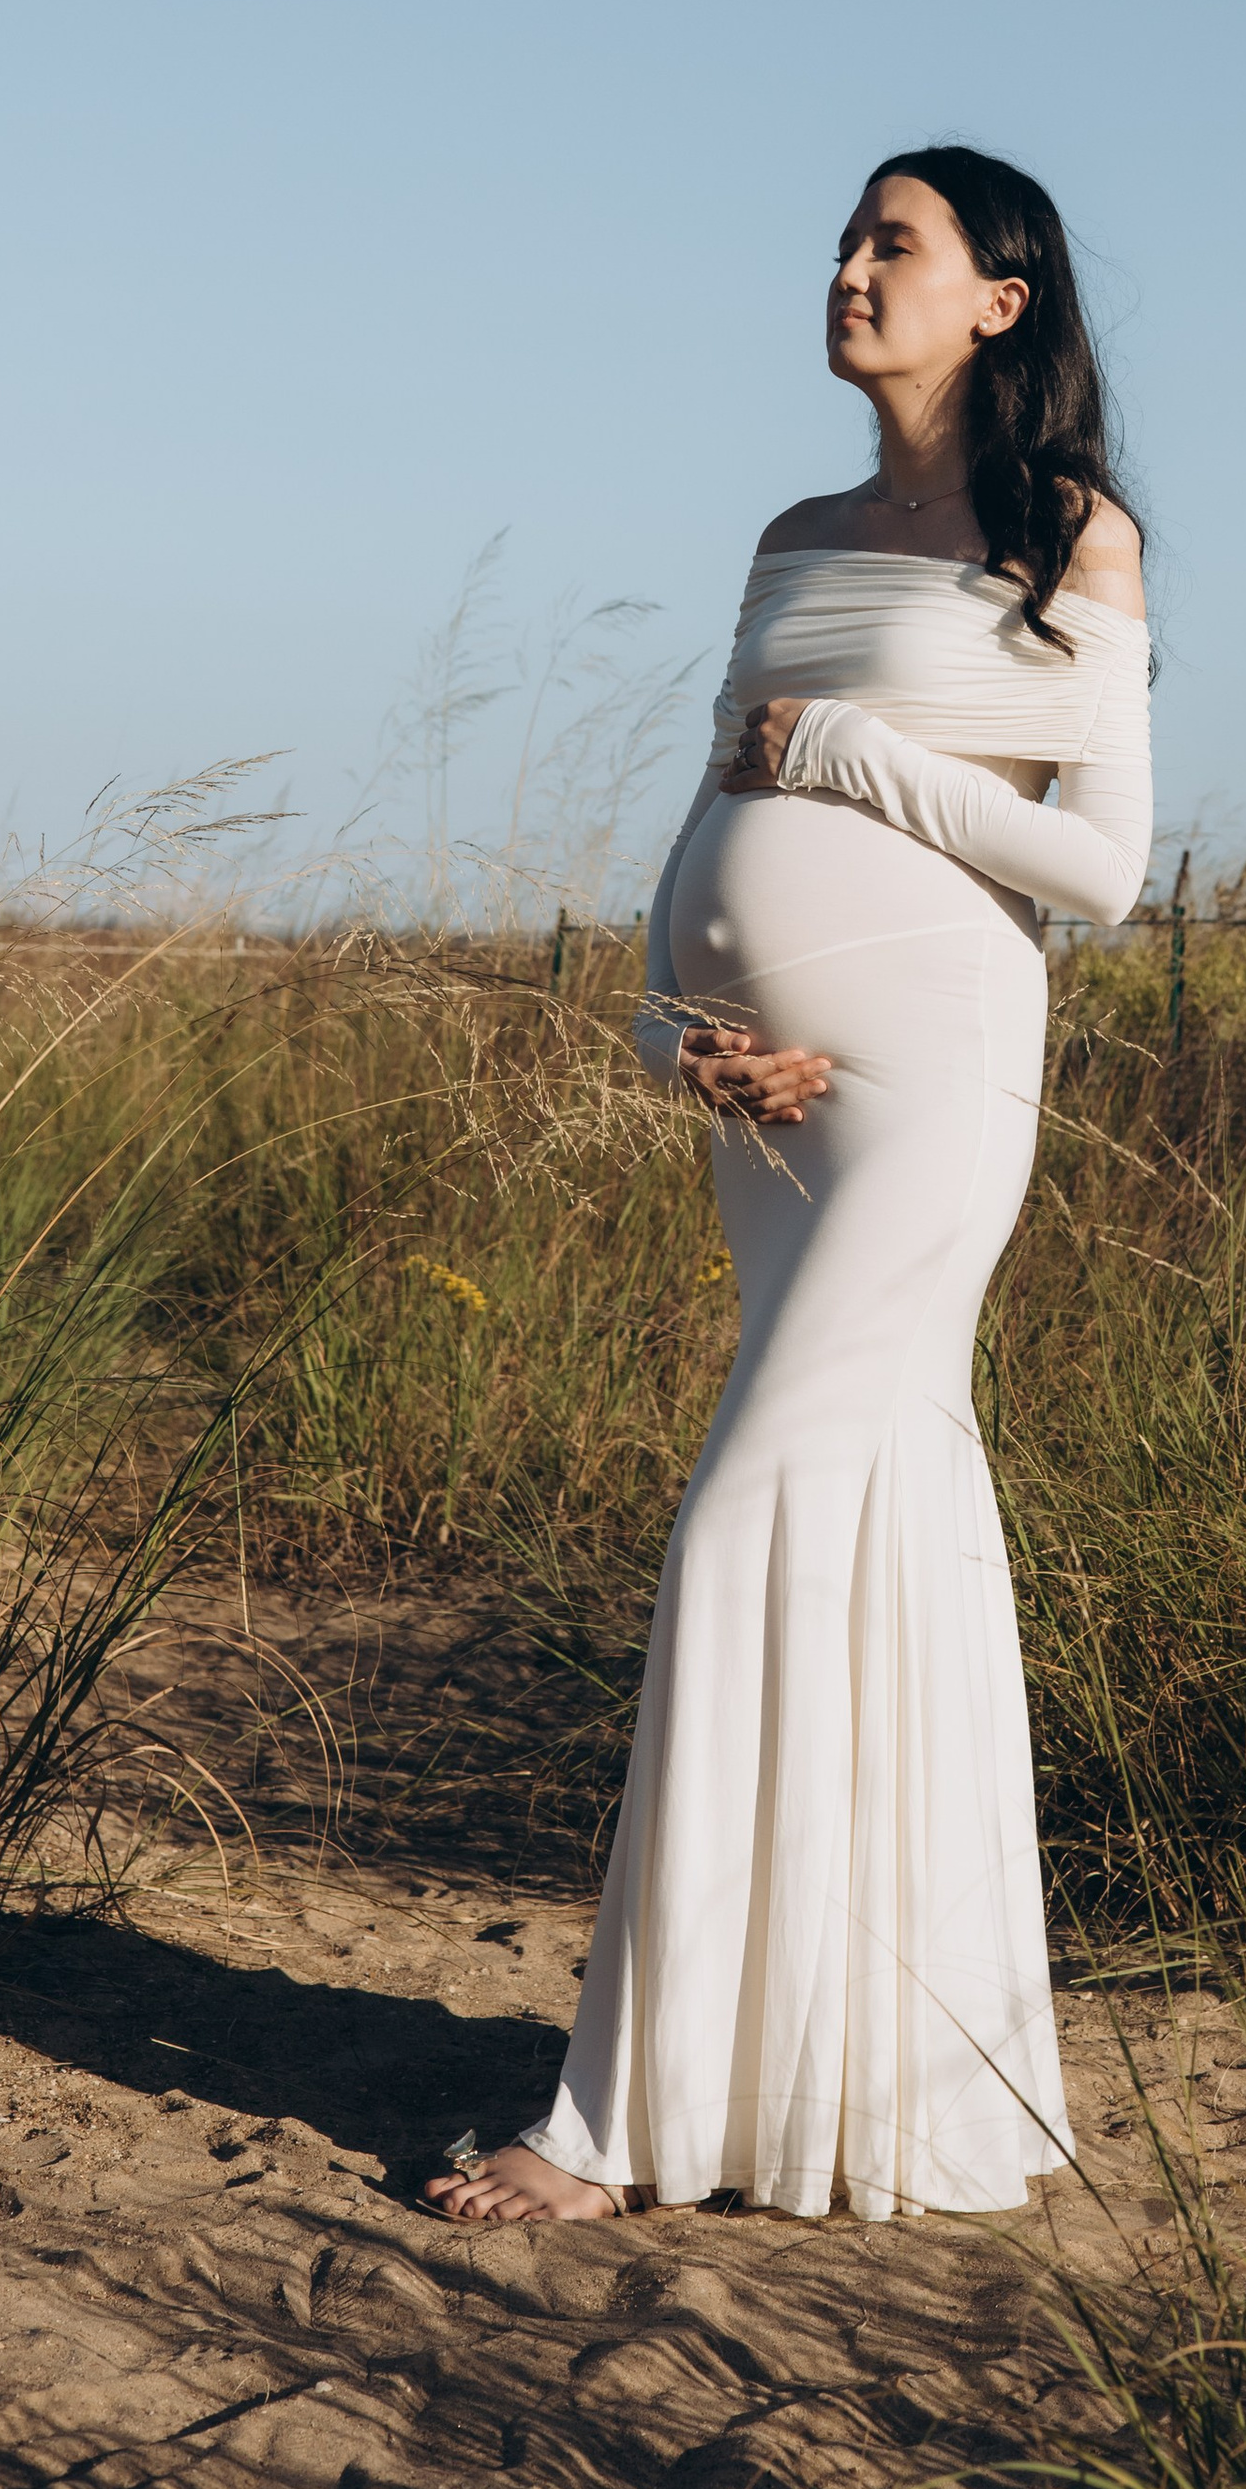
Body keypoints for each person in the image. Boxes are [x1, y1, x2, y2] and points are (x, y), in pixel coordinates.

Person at [423, 145, 1153, 2225]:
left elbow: (1099, 867)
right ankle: (872, 2067)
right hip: (765, 1106)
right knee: (871, 1533)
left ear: (998, 297)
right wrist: (674, 1037)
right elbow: (694, 841)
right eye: (844, 239)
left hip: (933, 1096)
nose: (848, 269)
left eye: (893, 244)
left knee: (745, 1520)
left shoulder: (1065, 538)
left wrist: (847, 759)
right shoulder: (795, 533)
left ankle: (614, 2120)